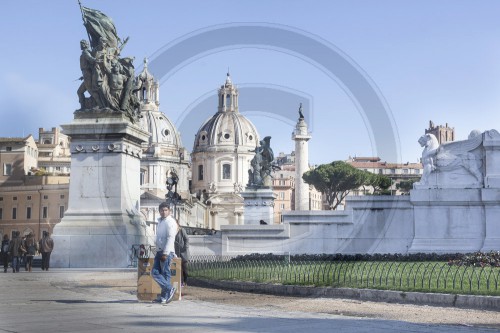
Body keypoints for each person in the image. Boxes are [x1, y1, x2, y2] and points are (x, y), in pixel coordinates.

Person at [152, 202, 177, 304]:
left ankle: (164, 296)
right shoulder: (160, 222)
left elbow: (171, 238)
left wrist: (166, 253)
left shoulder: (170, 222)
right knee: (155, 273)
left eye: (166, 210)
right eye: (162, 210)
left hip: (166, 251)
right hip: (159, 251)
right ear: (159, 211)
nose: (164, 212)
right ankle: (167, 291)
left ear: (169, 211)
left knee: (165, 273)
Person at [174, 220, 190, 287]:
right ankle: (180, 282)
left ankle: (185, 282)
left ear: (177, 224)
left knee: (185, 268)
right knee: (178, 268)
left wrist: (185, 247)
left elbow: (186, 239)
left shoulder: (182, 230)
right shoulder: (172, 231)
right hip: (176, 252)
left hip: (184, 252)